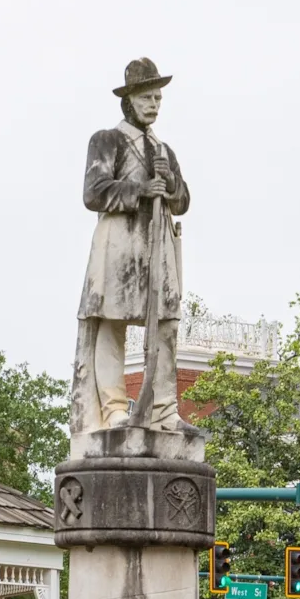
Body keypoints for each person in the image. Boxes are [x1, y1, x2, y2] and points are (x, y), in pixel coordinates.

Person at [72, 58, 189, 440]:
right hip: (119, 243)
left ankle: (164, 409)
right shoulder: (107, 140)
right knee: (112, 322)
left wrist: (170, 184)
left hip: (159, 244)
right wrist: (139, 190)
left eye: (158, 97)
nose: (154, 104)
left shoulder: (164, 150)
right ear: (130, 100)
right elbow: (94, 192)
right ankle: (114, 408)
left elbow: (183, 200)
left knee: (167, 324)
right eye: (146, 97)